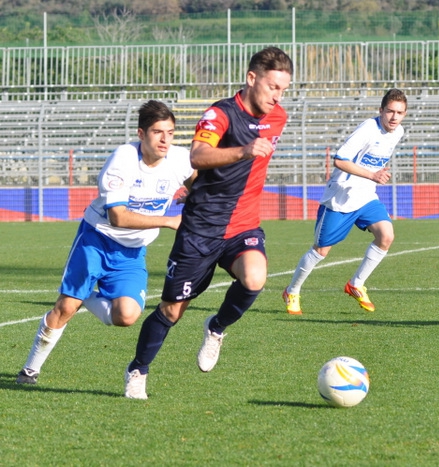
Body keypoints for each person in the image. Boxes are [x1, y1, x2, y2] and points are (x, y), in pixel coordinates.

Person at [123, 47, 293, 399]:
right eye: (273, 87)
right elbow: (197, 155)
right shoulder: (220, 114)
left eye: (283, 90)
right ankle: (138, 370)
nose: (277, 96)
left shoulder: (278, 117)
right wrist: (244, 150)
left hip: (242, 224)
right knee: (171, 310)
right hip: (200, 228)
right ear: (251, 79)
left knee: (255, 278)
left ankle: (216, 328)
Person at [16, 100, 196, 385]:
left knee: (126, 316)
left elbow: (198, 179)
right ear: (141, 134)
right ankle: (29, 370)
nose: (165, 139)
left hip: (133, 252)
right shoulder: (123, 159)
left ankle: (85, 296)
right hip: (96, 240)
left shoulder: (180, 159)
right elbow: (118, 218)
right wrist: (168, 220)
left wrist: (194, 193)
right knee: (64, 308)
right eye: (157, 132)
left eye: (170, 132)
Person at [282, 88, 408, 315]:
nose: (394, 117)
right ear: (381, 110)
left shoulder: (398, 132)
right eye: (390, 111)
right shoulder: (368, 129)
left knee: (386, 236)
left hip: (367, 196)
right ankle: (292, 290)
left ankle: (356, 284)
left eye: (399, 113)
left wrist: (374, 175)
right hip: (341, 197)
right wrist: (372, 175)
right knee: (321, 250)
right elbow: (340, 160)